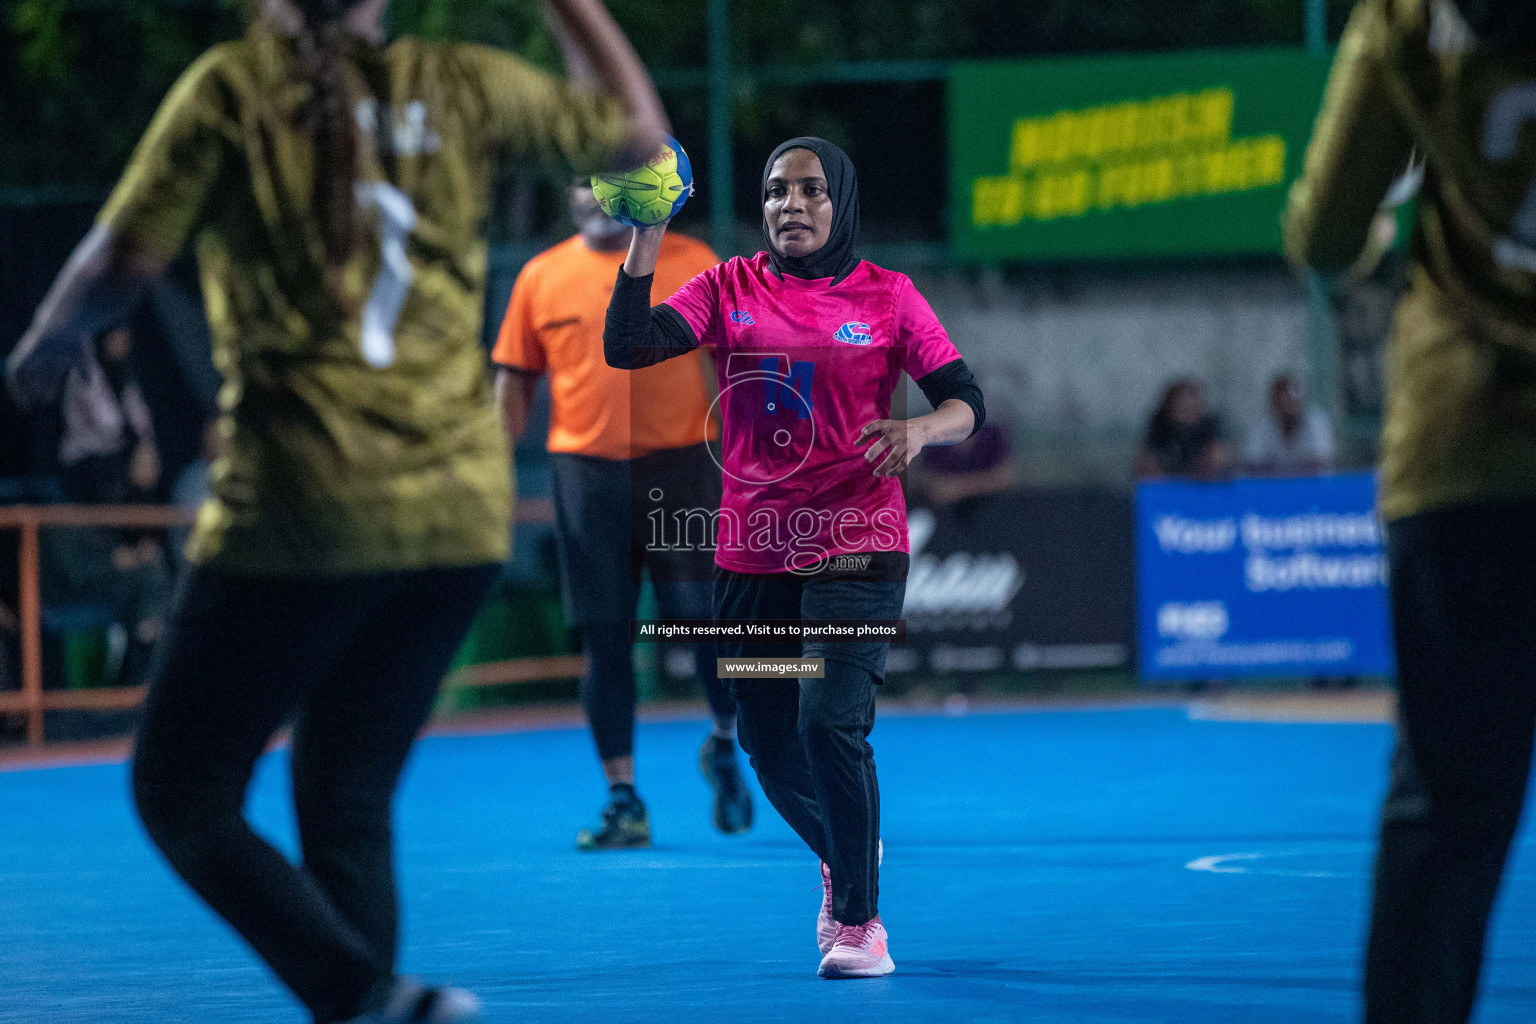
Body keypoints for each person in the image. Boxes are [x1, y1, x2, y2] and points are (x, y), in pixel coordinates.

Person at [5, 0, 666, 1020]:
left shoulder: (233, 91)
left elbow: (120, 263)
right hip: (455, 515)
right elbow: (636, 137)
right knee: (346, 799)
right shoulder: (457, 82)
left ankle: (369, 996)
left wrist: (44, 350)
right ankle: (374, 1006)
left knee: (180, 792)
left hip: (305, 502)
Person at [603, 137, 985, 979]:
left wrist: (921, 428)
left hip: (859, 543)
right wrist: (648, 230)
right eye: (776, 191)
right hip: (753, 548)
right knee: (770, 746)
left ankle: (860, 923)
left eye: (811, 190)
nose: (791, 205)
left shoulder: (889, 296)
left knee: (829, 725)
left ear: (840, 201)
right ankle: (846, 845)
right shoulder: (729, 287)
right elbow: (627, 347)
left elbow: (967, 401)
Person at [1284, 2, 1536, 1022]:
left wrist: (1389, 227)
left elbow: (1324, 233)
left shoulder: (1407, 18)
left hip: (1464, 448)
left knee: (1444, 811)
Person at [492, 182, 752, 850]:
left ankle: (724, 744)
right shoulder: (540, 276)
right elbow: (515, 379)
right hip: (586, 475)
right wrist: (492, 471)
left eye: (608, 178)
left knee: (706, 625)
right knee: (604, 639)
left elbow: (740, 365)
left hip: (683, 466)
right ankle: (623, 799)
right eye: (581, 178)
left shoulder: (697, 260)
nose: (591, 192)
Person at [1134, 377, 1233, 480]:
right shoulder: (1159, 428)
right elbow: (1146, 464)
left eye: (1192, 408)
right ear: (1170, 409)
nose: (1188, 413)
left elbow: (1222, 458)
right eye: (1183, 408)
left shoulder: (1210, 427)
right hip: (1168, 485)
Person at [1242, 373, 1336, 476]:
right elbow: (1253, 463)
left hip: (1312, 487)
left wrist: (1279, 466)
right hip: (1273, 488)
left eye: (1291, 400)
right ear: (1274, 403)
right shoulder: (1261, 425)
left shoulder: (1316, 421)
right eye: (1282, 401)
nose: (1288, 407)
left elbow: (1322, 460)